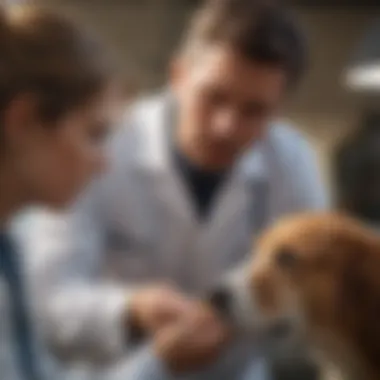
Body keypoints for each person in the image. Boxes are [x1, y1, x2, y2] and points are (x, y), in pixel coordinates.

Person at [18, 0, 328, 379]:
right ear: (178, 76)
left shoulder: (293, 165)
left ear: (280, 110)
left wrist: (258, 313)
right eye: (213, 97)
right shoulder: (98, 145)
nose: (226, 126)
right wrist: (129, 312)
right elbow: (47, 302)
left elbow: (315, 302)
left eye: (255, 111)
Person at [0, 5, 122, 380]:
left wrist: (161, 363)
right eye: (93, 135)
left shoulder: (10, 249)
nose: (103, 163)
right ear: (25, 120)